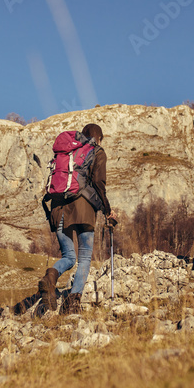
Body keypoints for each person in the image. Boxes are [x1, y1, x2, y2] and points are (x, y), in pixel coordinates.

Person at [37, 123, 117, 315]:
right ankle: (72, 303)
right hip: (83, 210)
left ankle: (50, 277)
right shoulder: (97, 151)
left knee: (68, 257)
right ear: (99, 138)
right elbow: (98, 182)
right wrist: (107, 210)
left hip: (58, 209)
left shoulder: (66, 153)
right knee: (83, 258)